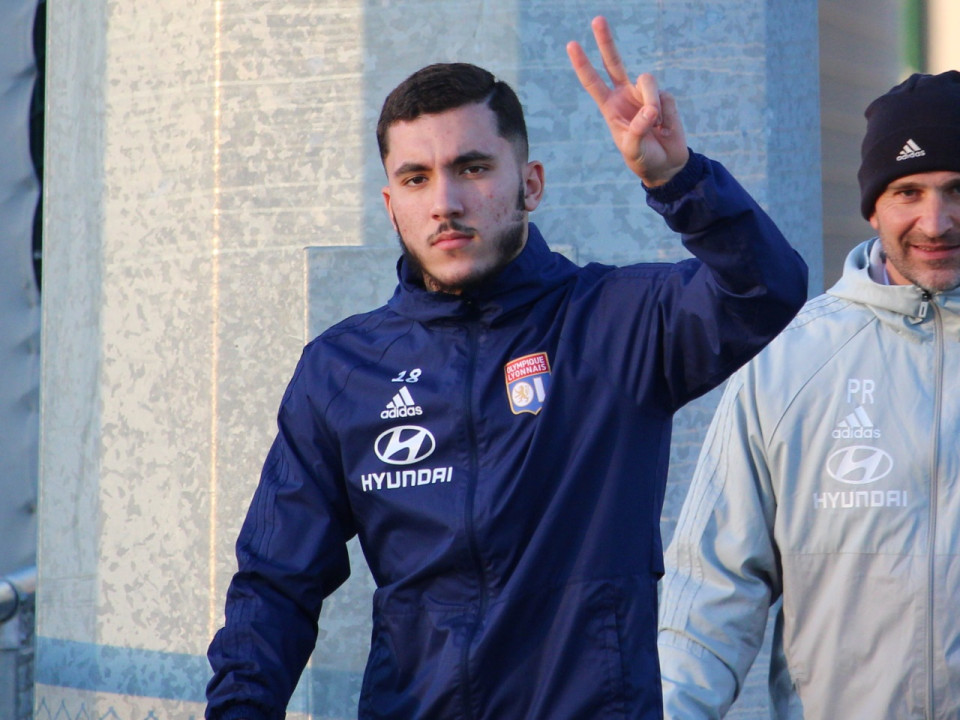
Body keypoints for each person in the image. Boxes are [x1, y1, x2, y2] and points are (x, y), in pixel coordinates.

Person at [205, 16, 808, 720]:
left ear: (531, 183)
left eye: (473, 168)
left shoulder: (617, 323)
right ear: (392, 205)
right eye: (416, 178)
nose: (446, 202)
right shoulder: (340, 370)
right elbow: (274, 584)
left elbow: (766, 288)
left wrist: (680, 180)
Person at [658, 70, 960, 720]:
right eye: (908, 191)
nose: (936, 222)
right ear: (873, 206)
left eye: (958, 189)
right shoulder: (789, 361)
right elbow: (711, 590)